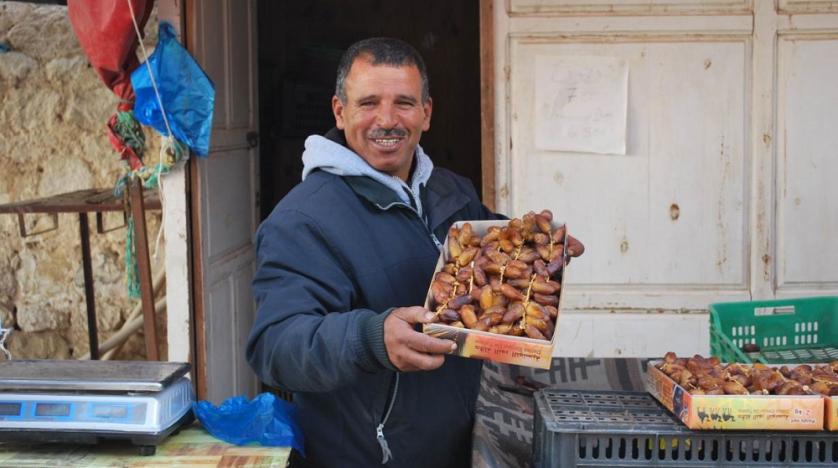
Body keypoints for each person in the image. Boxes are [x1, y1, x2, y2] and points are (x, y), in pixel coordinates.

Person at [246, 37, 584, 468]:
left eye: (404, 103)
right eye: (368, 103)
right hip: (370, 455)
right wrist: (372, 339)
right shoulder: (302, 220)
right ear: (339, 111)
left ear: (426, 113)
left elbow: (478, 249)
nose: (386, 120)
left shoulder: (449, 189)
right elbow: (276, 346)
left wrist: (530, 245)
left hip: (456, 438)